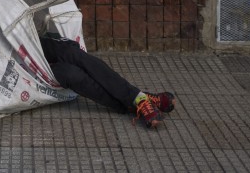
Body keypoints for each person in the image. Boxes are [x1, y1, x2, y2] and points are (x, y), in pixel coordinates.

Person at [39, 33, 176, 129]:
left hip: (32, 43)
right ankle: (138, 101)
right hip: (29, 69)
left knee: (73, 53)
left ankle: (137, 99)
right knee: (72, 74)